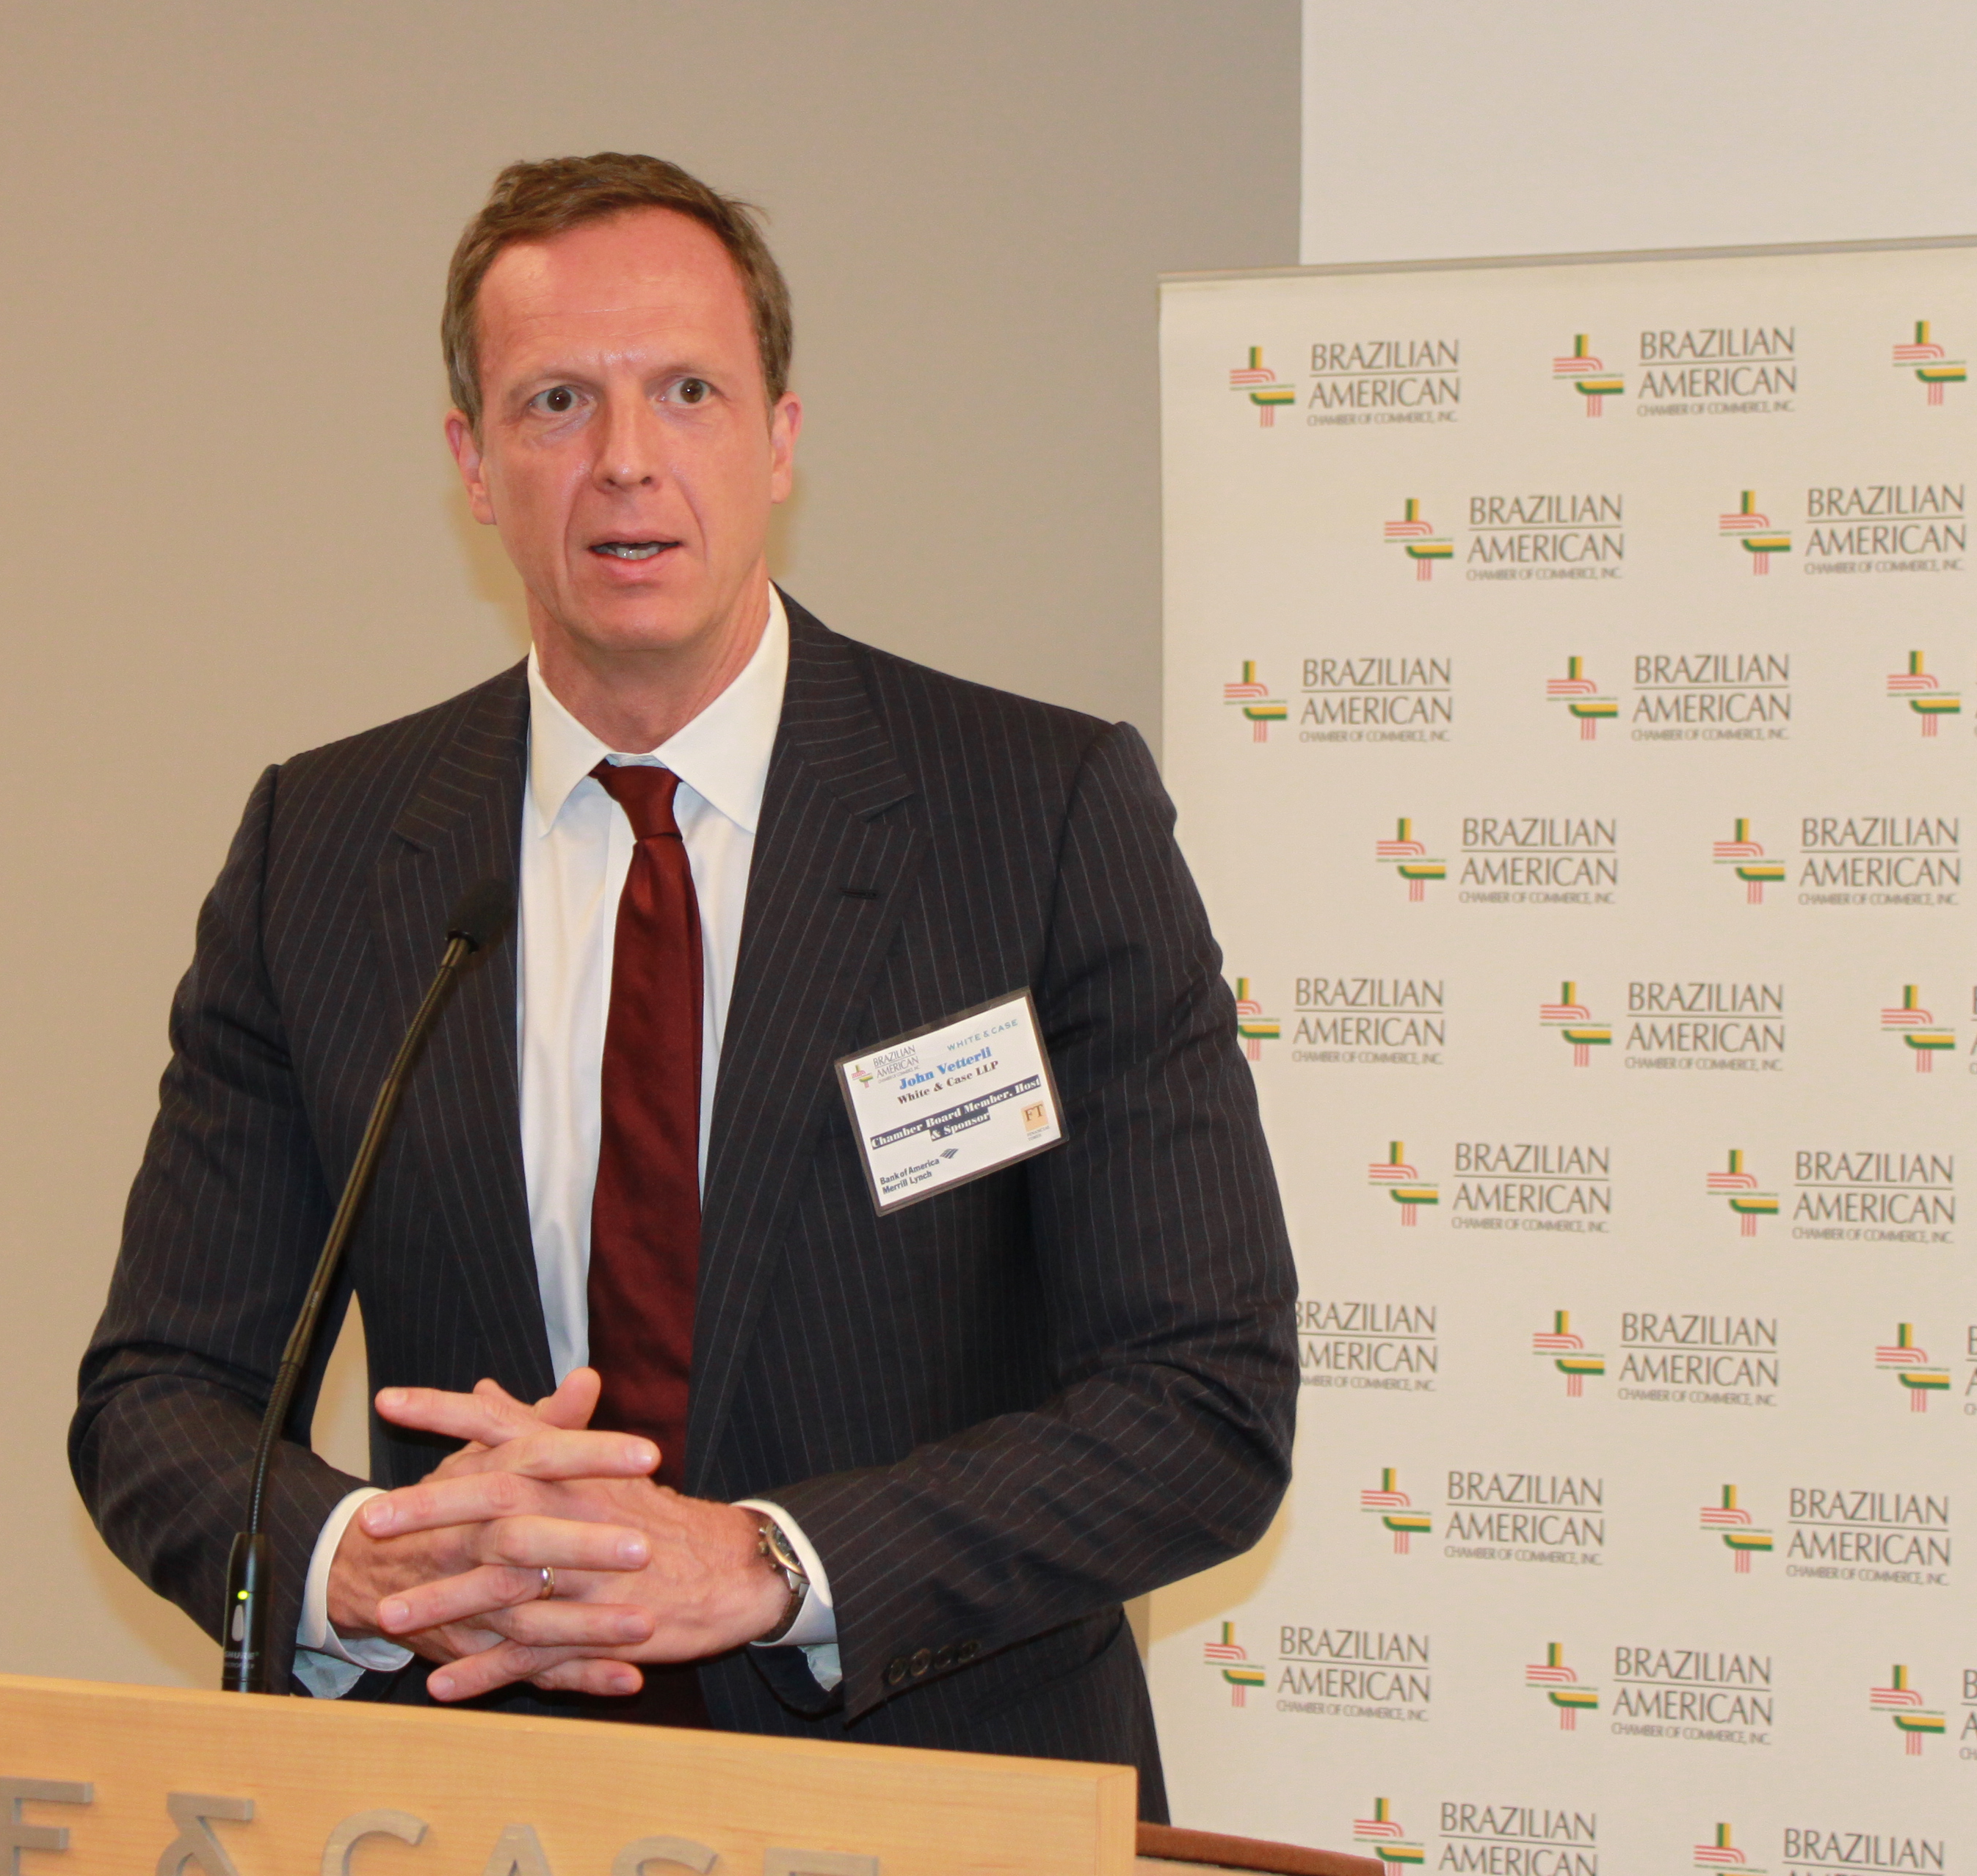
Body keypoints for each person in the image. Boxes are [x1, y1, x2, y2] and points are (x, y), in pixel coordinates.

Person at [70, 152, 1294, 1806]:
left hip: (932, 1802)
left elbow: (1205, 1400)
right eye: (557, 402)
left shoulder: (1037, 814)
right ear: (474, 465)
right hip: (476, 1812)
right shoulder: (331, 850)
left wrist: (773, 1563)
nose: (626, 460)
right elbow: (156, 1396)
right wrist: (367, 1562)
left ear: (780, 438)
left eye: (688, 392)